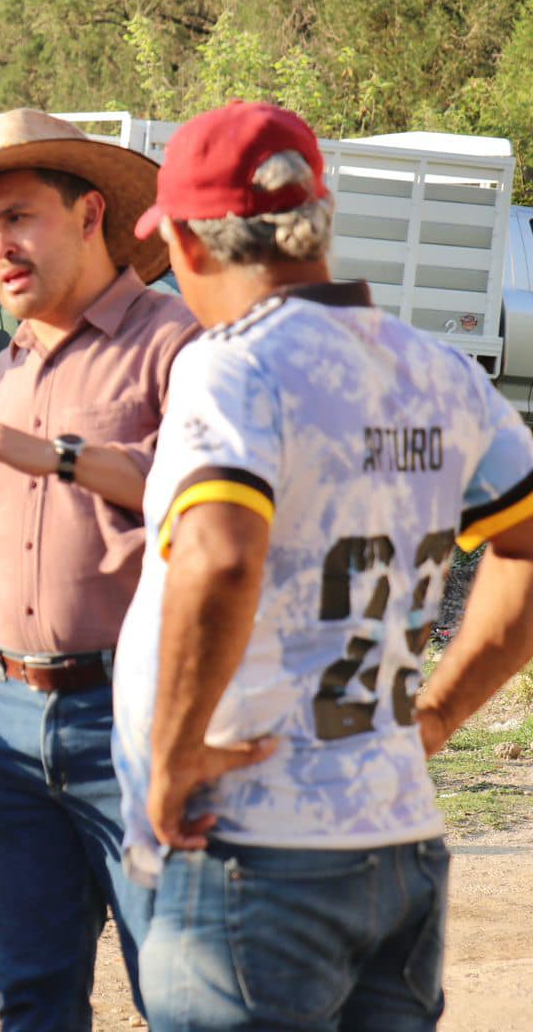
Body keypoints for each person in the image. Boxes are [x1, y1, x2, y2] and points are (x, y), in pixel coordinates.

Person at [113, 100, 533, 1031]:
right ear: (320, 220)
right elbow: (527, 553)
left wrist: (175, 754)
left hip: (255, 852)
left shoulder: (230, 368)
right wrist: (439, 712)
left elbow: (221, 557)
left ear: (186, 241)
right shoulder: (440, 371)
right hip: (399, 838)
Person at [0, 109, 198, 1026]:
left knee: (182, 999)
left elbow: (212, 504)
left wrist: (58, 455)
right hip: (6, 726)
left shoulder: (173, 346)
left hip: (141, 722)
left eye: (19, 217)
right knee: (34, 998)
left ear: (92, 212)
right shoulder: (2, 371)